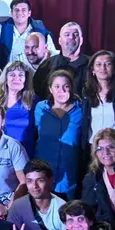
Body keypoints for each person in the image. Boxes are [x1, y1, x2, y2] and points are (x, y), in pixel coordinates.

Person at [33, 69, 84, 199]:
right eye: (56, 86)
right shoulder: (40, 108)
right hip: (43, 175)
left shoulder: (81, 110)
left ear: (71, 88)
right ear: (50, 89)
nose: (61, 90)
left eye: (65, 86)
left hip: (70, 177)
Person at [80, 51, 115, 155]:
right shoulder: (86, 92)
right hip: (92, 148)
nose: (103, 68)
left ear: (114, 69)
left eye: (108, 64)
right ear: (92, 70)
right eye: (98, 64)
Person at [0, 0, 56, 68]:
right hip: (11, 73)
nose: (20, 13)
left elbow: (52, 53)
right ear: (11, 13)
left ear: (29, 13)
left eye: (23, 10)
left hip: (35, 72)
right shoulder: (2, 29)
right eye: (16, 10)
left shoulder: (40, 29)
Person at [35, 22, 89, 96]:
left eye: (75, 35)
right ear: (59, 41)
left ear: (81, 40)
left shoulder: (92, 65)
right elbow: (38, 93)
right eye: (67, 35)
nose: (71, 37)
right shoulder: (46, 65)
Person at [0, 61, 36, 155]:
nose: (16, 78)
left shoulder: (34, 101)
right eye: (12, 75)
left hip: (26, 154)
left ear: (26, 79)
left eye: (21, 75)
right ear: (5, 78)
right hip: (0, 154)